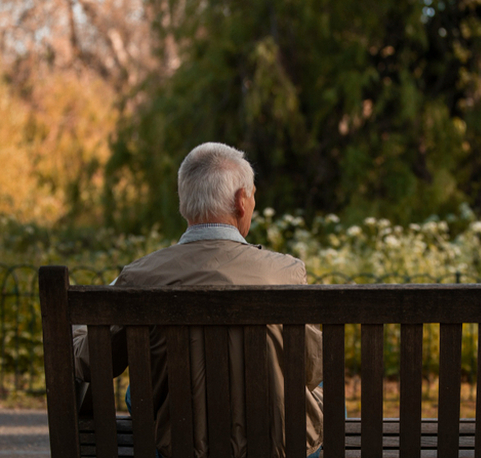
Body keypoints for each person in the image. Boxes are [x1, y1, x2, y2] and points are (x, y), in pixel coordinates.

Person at [71, 142, 323, 458]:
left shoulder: (141, 277)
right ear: (241, 202)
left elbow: (92, 361)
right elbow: (311, 370)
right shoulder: (286, 271)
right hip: (280, 447)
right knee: (321, 395)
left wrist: (82, 322)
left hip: (179, 445)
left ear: (184, 203)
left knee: (137, 391)